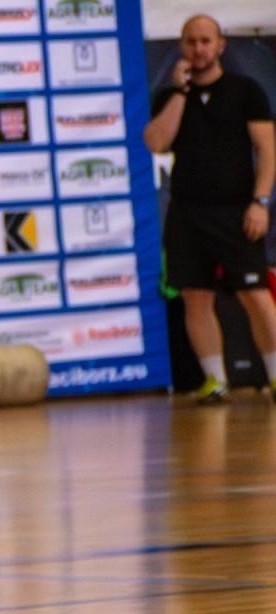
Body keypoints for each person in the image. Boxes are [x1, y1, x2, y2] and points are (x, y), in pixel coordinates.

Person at [143, 13, 276, 404]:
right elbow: (156, 142)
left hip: (237, 210)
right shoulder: (169, 96)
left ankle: (274, 374)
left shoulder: (245, 90)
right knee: (195, 296)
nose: (198, 48)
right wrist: (179, 93)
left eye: (205, 41)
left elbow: (267, 150)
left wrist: (260, 202)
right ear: (181, 47)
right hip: (187, 212)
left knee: (255, 294)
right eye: (191, 41)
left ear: (220, 46)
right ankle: (215, 380)